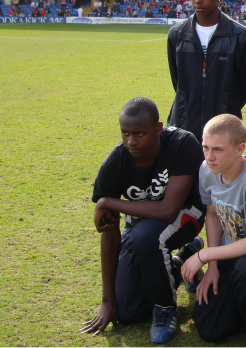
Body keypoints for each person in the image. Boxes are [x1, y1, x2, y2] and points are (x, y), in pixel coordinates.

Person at [81, 97, 206, 344]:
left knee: (144, 238)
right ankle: (183, 260)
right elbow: (109, 230)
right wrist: (107, 301)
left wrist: (107, 202)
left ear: (158, 129)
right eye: (125, 133)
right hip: (140, 227)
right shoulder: (115, 163)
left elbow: (169, 210)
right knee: (128, 311)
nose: (131, 141)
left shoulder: (182, 143)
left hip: (186, 214)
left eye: (139, 133)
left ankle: (165, 308)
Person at [183, 115, 246, 347]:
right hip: (233, 247)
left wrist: (205, 255)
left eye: (218, 149)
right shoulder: (207, 169)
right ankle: (245, 307)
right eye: (205, 147)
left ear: (240, 149)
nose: (209, 156)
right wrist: (213, 268)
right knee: (209, 328)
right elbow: (212, 214)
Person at [166, 0, 246, 143]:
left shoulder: (241, 37)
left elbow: (243, 87)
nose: (197, 0)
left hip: (224, 130)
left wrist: (225, 106)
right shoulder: (176, 35)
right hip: (184, 126)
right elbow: (178, 83)